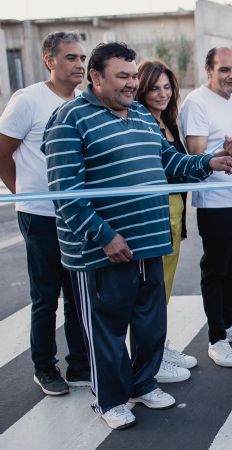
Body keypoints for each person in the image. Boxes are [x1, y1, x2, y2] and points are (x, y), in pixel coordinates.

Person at [43, 42, 232, 430]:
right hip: (103, 251)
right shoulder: (69, 119)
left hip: (150, 242)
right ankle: (109, 399)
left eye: (134, 76)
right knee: (107, 332)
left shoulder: (143, 117)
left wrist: (207, 162)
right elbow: (64, 193)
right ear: (95, 78)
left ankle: (142, 383)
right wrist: (104, 236)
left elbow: (171, 163)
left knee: (150, 325)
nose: (133, 84)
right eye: (123, 77)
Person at [0, 31, 89, 396]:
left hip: (75, 213)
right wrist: (23, 194)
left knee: (77, 293)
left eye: (82, 58)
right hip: (40, 215)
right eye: (71, 58)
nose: (80, 65)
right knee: (46, 294)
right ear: (49, 60)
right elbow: (2, 153)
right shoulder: (28, 100)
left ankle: (80, 365)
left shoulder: (83, 101)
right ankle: (44, 366)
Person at [180, 47, 232, 368]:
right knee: (215, 269)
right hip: (216, 203)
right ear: (208, 70)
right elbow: (194, 152)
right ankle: (217, 338)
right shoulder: (196, 102)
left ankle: (228, 323)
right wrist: (222, 149)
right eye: (225, 69)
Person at [135, 60, 198, 384]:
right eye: (154, 87)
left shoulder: (168, 121)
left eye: (167, 87)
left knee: (163, 287)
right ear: (141, 89)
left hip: (176, 210)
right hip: (157, 211)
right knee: (152, 289)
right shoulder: (142, 122)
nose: (162, 93)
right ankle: (149, 359)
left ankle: (159, 346)